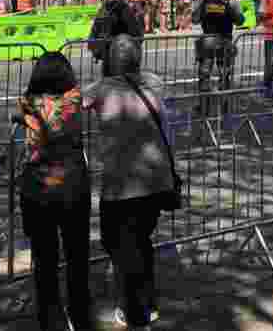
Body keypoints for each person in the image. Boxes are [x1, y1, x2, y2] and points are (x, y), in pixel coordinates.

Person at [83, 35, 174, 330]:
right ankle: (147, 301)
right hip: (156, 177)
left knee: (121, 245)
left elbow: (72, 102)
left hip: (123, 183)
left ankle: (136, 313)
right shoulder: (153, 84)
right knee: (140, 241)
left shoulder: (101, 89)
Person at [16, 53, 93, 330]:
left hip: (38, 188)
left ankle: (49, 315)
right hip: (73, 185)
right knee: (77, 255)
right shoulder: (74, 99)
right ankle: (80, 312)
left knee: (44, 258)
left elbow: (30, 111)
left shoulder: (27, 102)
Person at [192, 0, 245, 103]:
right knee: (224, 73)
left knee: (204, 74)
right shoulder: (231, 1)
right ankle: (224, 103)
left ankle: (203, 104)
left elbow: (194, 19)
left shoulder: (204, 0)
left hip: (207, 40)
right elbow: (240, 21)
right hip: (225, 40)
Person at [91, 0, 145, 77]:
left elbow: (95, 29)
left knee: (107, 84)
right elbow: (137, 34)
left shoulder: (104, 7)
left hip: (107, 55)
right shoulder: (125, 9)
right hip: (124, 58)